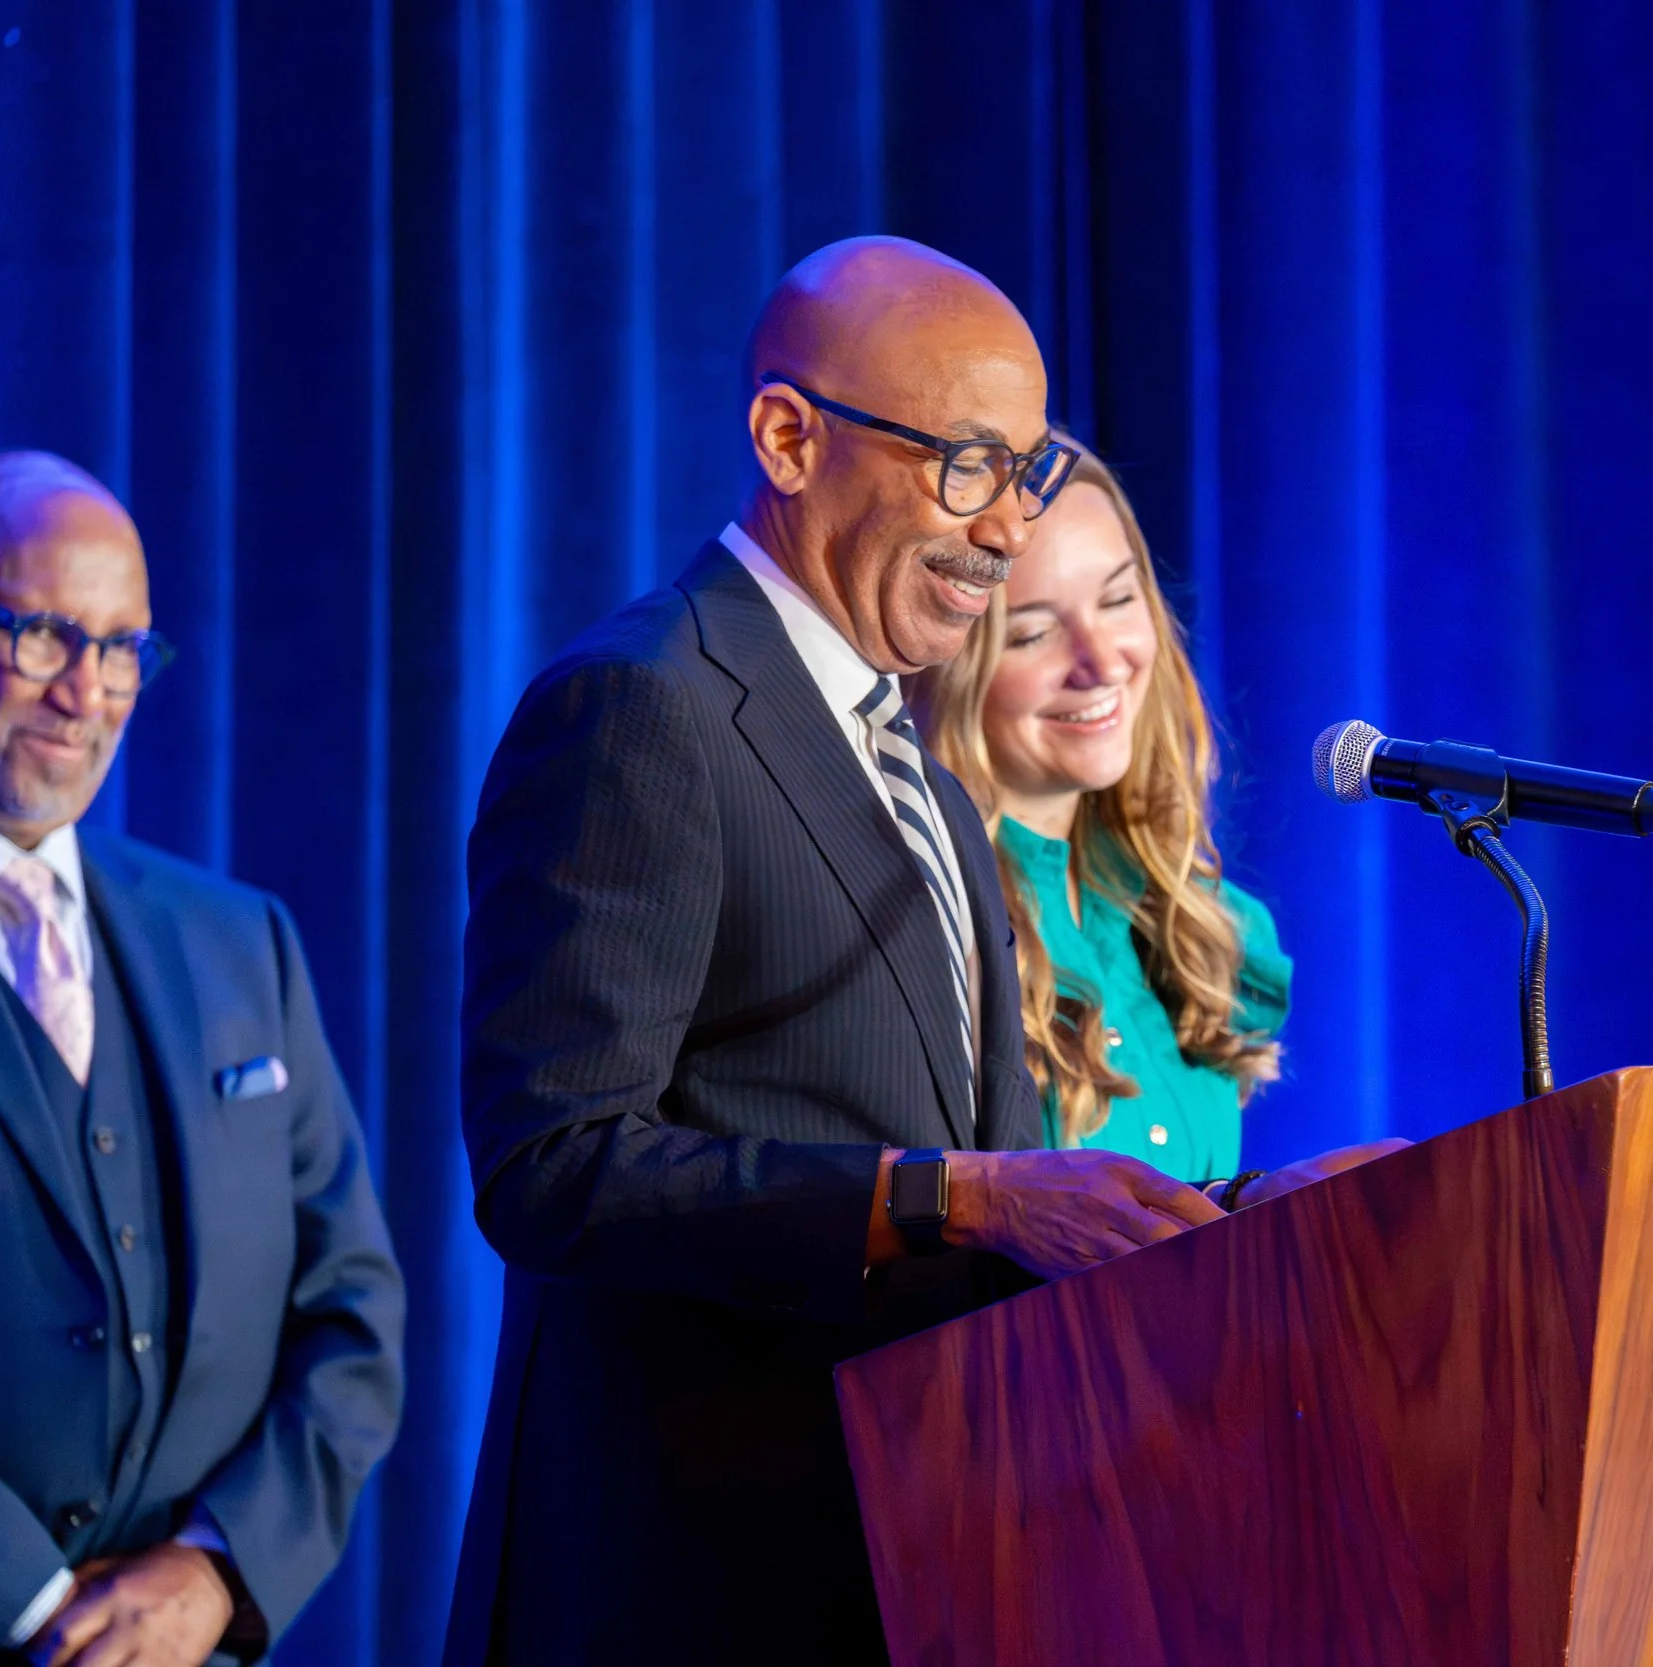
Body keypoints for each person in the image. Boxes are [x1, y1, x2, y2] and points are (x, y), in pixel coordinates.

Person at [444, 238, 1232, 1665]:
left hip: (920, 1569)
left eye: (1027, 472)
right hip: (687, 1590)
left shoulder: (921, 772)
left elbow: (998, 1186)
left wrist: (1258, 1214)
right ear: (789, 437)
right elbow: (549, 1162)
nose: (1003, 532)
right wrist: (948, 1194)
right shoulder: (641, 711)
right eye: (966, 466)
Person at [0, 453, 406, 1667]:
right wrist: (17, 1602)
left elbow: (353, 1314)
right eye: (44, 636)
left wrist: (217, 1571)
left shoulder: (237, 937)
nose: (87, 692)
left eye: (122, 650)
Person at [911, 443, 1400, 1198]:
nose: (1101, 661)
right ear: (948, 661)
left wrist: (1267, 1203)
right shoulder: (922, 926)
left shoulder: (1198, 925)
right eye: (1034, 632)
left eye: (1117, 599)